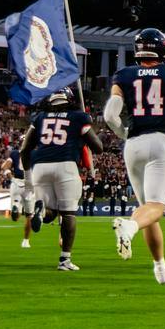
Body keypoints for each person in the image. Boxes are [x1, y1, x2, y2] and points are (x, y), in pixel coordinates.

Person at [105, 28, 165, 283]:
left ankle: (160, 266)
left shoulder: (123, 75)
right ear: (163, 51)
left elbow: (110, 116)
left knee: (146, 209)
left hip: (133, 144)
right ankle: (130, 227)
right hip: (160, 142)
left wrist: (125, 134)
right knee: (156, 206)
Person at [27, 85, 98, 272]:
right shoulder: (78, 117)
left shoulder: (40, 117)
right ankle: (65, 260)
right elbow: (98, 146)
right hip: (66, 164)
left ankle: (41, 213)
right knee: (68, 213)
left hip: (40, 166)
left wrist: (28, 175)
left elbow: (25, 149)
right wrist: (82, 137)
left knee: (51, 211)